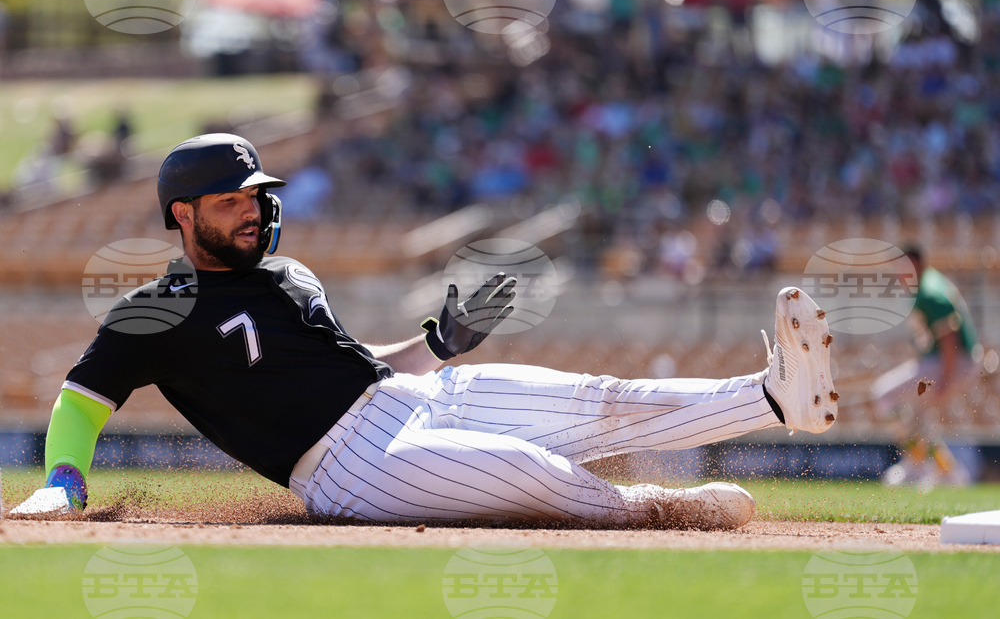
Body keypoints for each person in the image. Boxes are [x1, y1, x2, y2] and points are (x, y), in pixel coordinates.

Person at [10, 134, 840, 529]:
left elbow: (356, 367)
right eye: (232, 200)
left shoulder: (291, 274)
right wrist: (65, 482)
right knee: (529, 472)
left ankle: (775, 397)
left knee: (604, 399)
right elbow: (82, 402)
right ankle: (660, 510)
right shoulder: (155, 308)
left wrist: (438, 344)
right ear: (183, 215)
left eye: (258, 195)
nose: (254, 210)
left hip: (412, 397)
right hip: (346, 466)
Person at [873, 246, 982, 487]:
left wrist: (946, 379)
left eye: (902, 265)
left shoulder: (929, 291)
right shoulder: (928, 284)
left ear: (914, 264)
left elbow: (950, 340)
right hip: (951, 361)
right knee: (917, 418)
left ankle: (916, 466)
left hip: (955, 362)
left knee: (883, 395)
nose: (898, 272)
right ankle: (949, 474)